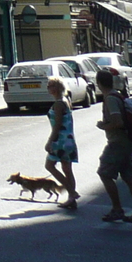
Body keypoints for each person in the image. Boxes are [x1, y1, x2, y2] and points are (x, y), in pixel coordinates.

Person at [94, 67, 132, 225]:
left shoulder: (110, 99)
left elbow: (118, 122)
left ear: (99, 83)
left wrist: (103, 126)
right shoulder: (118, 95)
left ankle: (117, 209)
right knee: (130, 178)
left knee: (104, 173)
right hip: (126, 143)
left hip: (118, 144)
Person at [44, 76, 79, 210]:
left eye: (51, 86)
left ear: (58, 88)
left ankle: (72, 192)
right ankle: (72, 199)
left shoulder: (59, 103)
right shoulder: (65, 100)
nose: (48, 88)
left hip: (61, 140)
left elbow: (57, 125)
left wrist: (49, 142)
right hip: (68, 139)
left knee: (49, 165)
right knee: (67, 169)